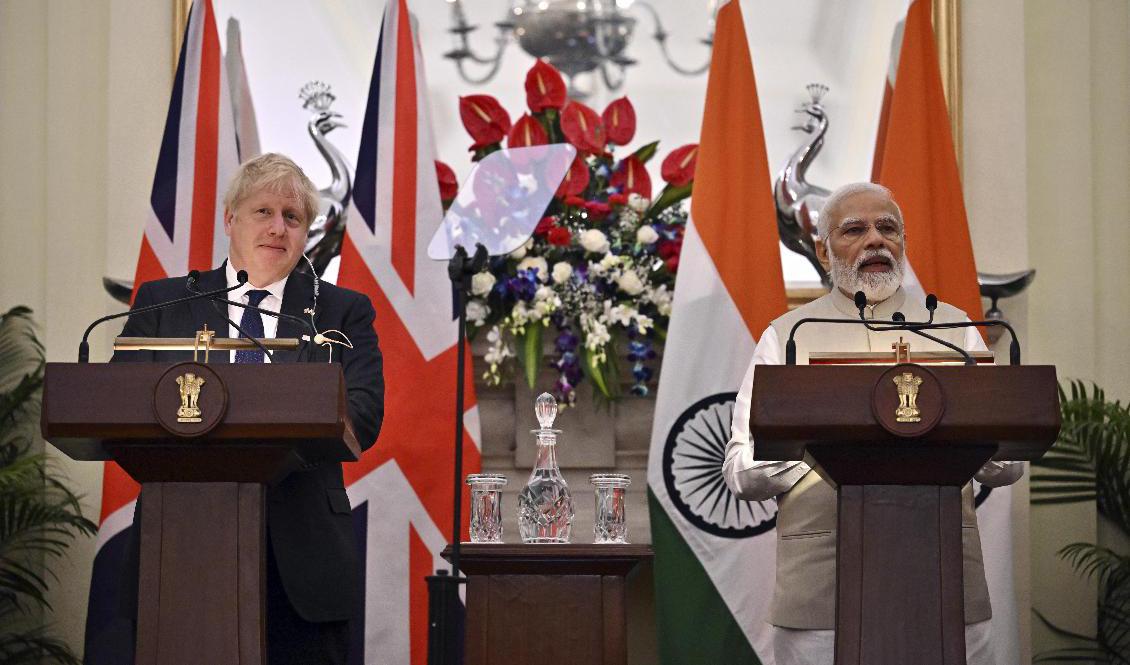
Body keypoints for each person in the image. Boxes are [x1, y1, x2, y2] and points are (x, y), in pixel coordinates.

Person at [723, 182, 1022, 665]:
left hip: (944, 580)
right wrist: (829, 448)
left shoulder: (953, 330)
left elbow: (1007, 465)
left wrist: (972, 446)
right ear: (824, 251)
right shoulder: (788, 338)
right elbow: (740, 471)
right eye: (854, 230)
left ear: (903, 243)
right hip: (823, 594)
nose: (875, 241)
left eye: (887, 228)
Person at [112, 153, 384, 665]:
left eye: (293, 217)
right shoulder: (162, 304)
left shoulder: (342, 311)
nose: (278, 228)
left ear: (305, 233)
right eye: (263, 212)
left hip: (303, 556)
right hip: (179, 548)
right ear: (230, 219)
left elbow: (364, 414)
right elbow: (116, 400)